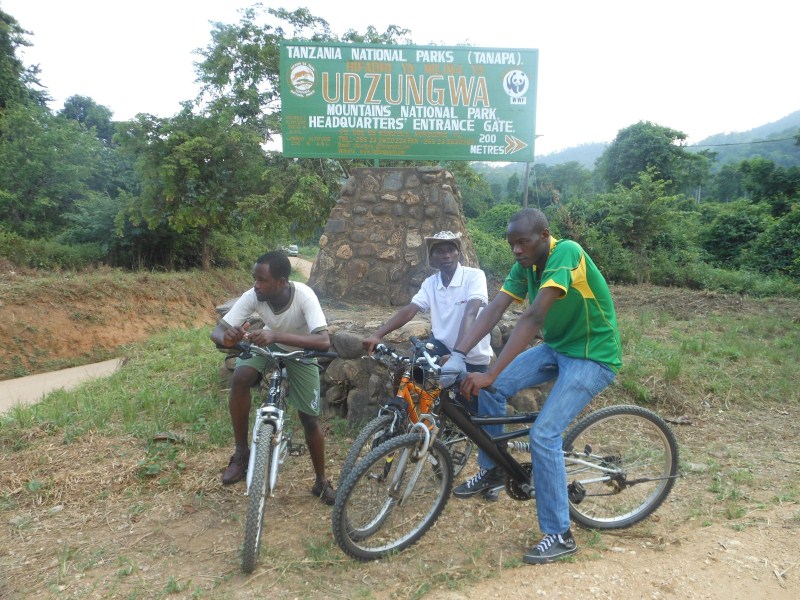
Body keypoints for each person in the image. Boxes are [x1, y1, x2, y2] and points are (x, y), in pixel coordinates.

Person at [439, 208, 622, 564]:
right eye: (512, 244)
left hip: (593, 355)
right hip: (558, 347)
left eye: (522, 242)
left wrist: (490, 371)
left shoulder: (566, 252)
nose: (517, 250)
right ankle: (493, 470)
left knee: (544, 436)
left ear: (544, 235)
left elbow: (533, 316)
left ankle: (559, 533)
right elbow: (495, 308)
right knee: (489, 391)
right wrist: (459, 353)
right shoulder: (525, 265)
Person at [210, 250, 336, 505]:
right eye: (255, 278)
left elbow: (323, 341)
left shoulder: (304, 296)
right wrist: (228, 338)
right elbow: (217, 332)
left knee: (309, 420)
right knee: (241, 377)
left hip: (301, 350)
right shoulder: (254, 295)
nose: (256, 285)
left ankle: (320, 481)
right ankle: (241, 454)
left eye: (262, 280)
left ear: (281, 282)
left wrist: (276, 336)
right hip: (268, 342)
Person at [361, 231, 494, 433]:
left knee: (470, 423)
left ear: (459, 253)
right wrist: (378, 334)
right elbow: (410, 309)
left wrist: (457, 355)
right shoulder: (431, 283)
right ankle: (403, 419)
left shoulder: (474, 276)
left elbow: (471, 313)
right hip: (440, 347)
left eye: (450, 249)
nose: (446, 255)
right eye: (440, 251)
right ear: (432, 257)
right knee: (406, 364)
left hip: (471, 354)